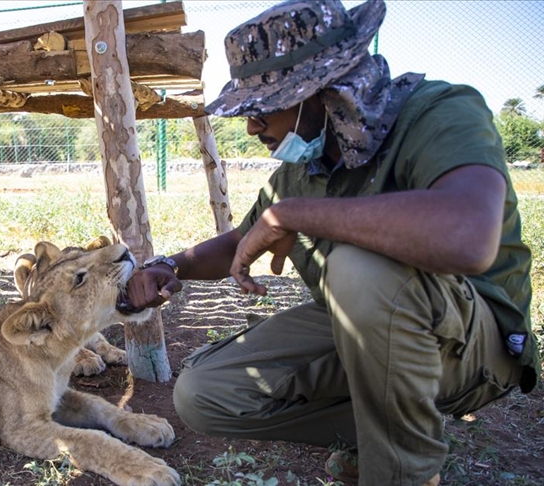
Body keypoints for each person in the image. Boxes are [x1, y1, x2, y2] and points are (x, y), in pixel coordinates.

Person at [123, 0, 539, 484]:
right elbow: (244, 238)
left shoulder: (439, 113)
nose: (253, 126)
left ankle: (400, 470)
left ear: (321, 90)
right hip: (368, 337)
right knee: (204, 392)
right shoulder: (303, 170)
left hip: (473, 347)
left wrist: (294, 215)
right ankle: (386, 432)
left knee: (359, 268)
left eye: (263, 107)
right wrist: (171, 265)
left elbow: (469, 236)